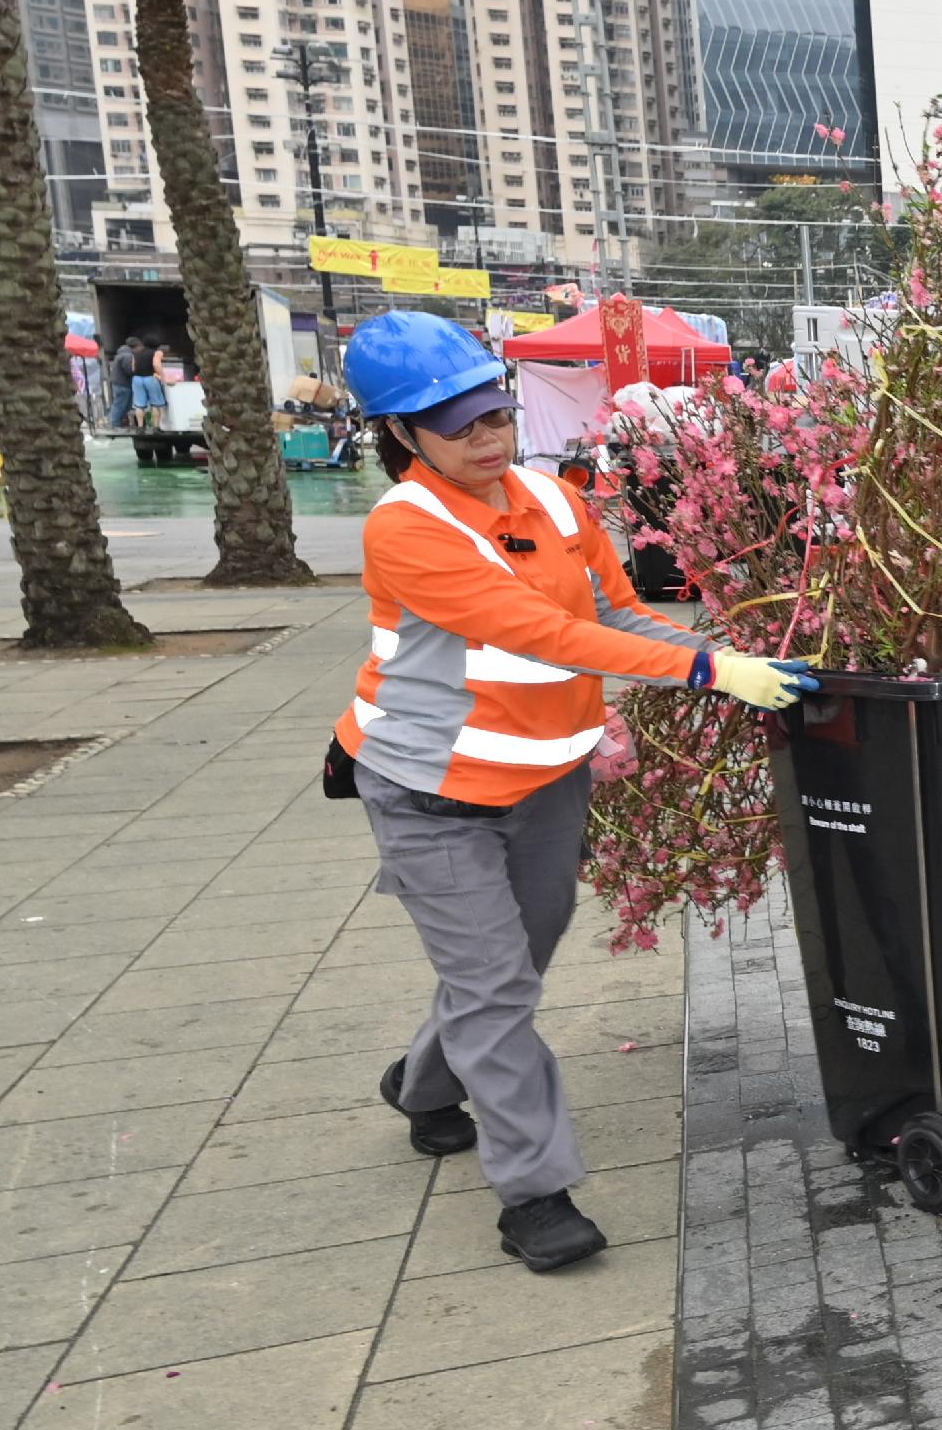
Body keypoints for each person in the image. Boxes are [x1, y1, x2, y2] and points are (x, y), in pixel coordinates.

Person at [332, 311, 814, 1272]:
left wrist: (729, 656)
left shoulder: (555, 502)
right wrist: (708, 677)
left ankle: (426, 1083)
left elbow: (613, 611)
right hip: (429, 789)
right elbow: (536, 633)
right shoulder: (406, 529)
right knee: (496, 981)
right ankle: (535, 1193)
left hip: (546, 778)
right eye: (457, 425)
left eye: (495, 413)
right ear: (399, 434)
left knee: (512, 962)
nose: (488, 437)